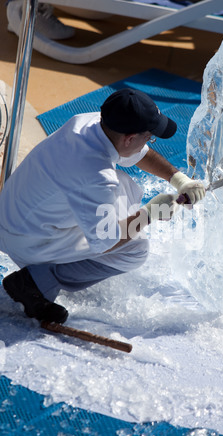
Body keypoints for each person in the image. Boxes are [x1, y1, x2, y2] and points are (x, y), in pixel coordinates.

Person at [0, 88, 205, 324]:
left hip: (16, 216)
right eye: (149, 137)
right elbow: (106, 241)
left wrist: (180, 179)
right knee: (135, 249)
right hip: (27, 239)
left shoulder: (90, 123)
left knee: (124, 185)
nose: (148, 142)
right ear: (129, 138)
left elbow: (141, 154)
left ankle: (52, 265)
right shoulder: (95, 174)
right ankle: (35, 282)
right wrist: (150, 213)